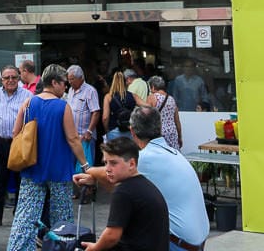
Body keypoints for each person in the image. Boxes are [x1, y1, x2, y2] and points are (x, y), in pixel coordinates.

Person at [74, 106, 209, 251]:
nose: (109, 167)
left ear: (132, 131)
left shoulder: (146, 158)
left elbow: (109, 175)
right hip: (197, 240)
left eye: (112, 162)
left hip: (179, 244)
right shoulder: (173, 152)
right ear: (160, 127)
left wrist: (90, 171)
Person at [4, 64, 89, 251]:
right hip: (58, 167)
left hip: (32, 165)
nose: (65, 87)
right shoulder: (62, 106)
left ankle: (18, 248)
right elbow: (73, 139)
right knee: (61, 214)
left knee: (26, 215)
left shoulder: (28, 103)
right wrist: (85, 165)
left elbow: (15, 132)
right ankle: (61, 246)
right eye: (63, 83)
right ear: (54, 82)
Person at [74, 136, 169, 251]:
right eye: (105, 163)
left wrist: (94, 248)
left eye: (113, 163)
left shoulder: (123, 192)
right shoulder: (142, 184)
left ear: (132, 164)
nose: (107, 169)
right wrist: (95, 179)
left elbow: (111, 236)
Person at [0, 65, 31, 227]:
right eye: (7, 78)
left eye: (13, 77)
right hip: (0, 142)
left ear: (19, 78)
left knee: (20, 180)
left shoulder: (28, 95)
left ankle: (19, 216)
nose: (10, 80)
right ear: (1, 79)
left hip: (19, 143)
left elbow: (33, 120)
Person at [66, 64, 100, 204]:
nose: (70, 81)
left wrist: (89, 131)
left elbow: (96, 112)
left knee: (86, 165)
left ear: (81, 78)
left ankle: (88, 192)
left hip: (85, 136)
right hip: (73, 135)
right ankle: (77, 191)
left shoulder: (90, 91)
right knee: (74, 165)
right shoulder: (70, 91)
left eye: (72, 79)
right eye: (69, 79)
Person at [147, 75, 183, 149]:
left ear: (153, 86)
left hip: (158, 133)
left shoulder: (152, 97)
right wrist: (179, 137)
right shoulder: (171, 99)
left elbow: (146, 117)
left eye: (150, 87)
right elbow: (177, 121)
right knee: (173, 156)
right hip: (172, 133)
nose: (150, 90)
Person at [102, 71, 136, 141]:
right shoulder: (132, 95)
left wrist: (107, 130)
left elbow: (105, 118)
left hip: (113, 131)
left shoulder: (108, 97)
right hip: (129, 131)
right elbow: (146, 106)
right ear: (125, 82)